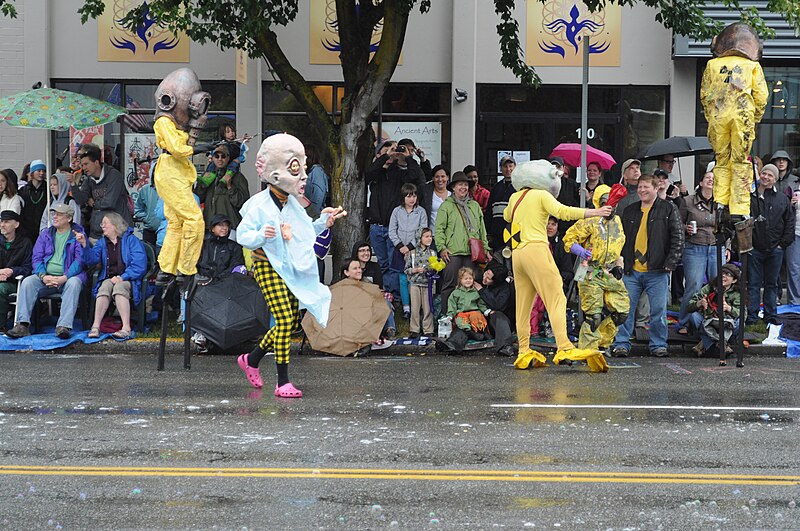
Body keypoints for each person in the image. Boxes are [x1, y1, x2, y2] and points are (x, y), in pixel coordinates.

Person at [236, 133, 346, 398]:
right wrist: (263, 234)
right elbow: (242, 235)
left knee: (287, 321)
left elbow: (305, 231)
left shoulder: (293, 205)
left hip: (288, 268)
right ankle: (282, 381)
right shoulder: (258, 205)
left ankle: (251, 359)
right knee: (285, 319)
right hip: (265, 265)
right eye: (296, 167)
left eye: (302, 167)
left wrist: (323, 221)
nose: (304, 176)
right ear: (274, 174)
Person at [504, 160, 612, 372]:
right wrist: (594, 212)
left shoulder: (515, 197)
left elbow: (507, 216)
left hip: (518, 254)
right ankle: (564, 346)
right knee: (556, 298)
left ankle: (523, 349)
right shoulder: (541, 195)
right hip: (536, 248)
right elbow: (563, 212)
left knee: (523, 305)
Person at [700, 23, 768, 222]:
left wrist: (711, 116)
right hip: (743, 115)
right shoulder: (753, 66)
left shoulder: (712, 65)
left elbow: (704, 95)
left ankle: (720, 201)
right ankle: (740, 207)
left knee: (721, 160)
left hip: (718, 116)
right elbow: (762, 96)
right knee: (740, 160)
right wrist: (754, 118)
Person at [611, 174, 684, 358]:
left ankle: (658, 344)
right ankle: (621, 343)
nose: (642, 190)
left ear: (656, 187)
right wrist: (619, 260)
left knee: (658, 311)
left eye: (646, 187)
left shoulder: (668, 208)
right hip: (631, 269)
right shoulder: (629, 210)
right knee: (625, 309)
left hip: (657, 269)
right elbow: (620, 238)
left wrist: (671, 262)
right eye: (640, 187)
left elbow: (678, 236)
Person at [151, 67, 211, 285]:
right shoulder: (164, 122)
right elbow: (177, 148)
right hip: (170, 173)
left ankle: (166, 270)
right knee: (194, 219)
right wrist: (198, 148)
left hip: (177, 172)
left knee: (176, 223)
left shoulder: (173, 123)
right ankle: (187, 269)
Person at [6, 202, 87, 340]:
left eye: (59, 215)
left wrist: (64, 277)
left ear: (69, 218)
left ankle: (63, 326)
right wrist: (43, 276)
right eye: (54, 214)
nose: (55, 217)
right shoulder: (46, 234)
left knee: (74, 283)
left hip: (67, 278)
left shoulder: (78, 235)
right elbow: (36, 258)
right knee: (28, 282)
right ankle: (22, 324)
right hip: (46, 278)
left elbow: (80, 262)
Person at [564, 184, 629, 353]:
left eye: (612, 201)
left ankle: (602, 341)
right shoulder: (590, 221)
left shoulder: (617, 222)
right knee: (593, 316)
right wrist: (579, 250)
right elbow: (569, 238)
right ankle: (588, 350)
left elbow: (618, 246)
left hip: (609, 273)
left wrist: (619, 264)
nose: (609, 205)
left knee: (621, 313)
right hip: (590, 272)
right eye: (604, 202)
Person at [365, 139, 426, 299]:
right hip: (376, 226)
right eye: (389, 150)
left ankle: (397, 296)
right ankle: (390, 295)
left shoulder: (398, 173)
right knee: (383, 264)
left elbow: (416, 178)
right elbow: (369, 173)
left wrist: (408, 157)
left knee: (394, 265)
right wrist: (386, 156)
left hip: (393, 229)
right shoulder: (378, 174)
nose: (394, 152)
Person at [76, 212, 147, 340]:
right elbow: (91, 259)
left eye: (105, 223)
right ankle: (96, 326)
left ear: (115, 225)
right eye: (102, 223)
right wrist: (84, 245)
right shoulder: (102, 242)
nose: (102, 226)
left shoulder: (131, 240)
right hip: (109, 278)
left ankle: (126, 328)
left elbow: (139, 265)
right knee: (104, 287)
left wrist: (122, 277)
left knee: (120, 288)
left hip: (129, 279)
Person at [434, 171, 491, 315]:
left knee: (473, 283)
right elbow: (439, 229)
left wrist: (486, 248)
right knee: (449, 285)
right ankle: (447, 317)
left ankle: (472, 314)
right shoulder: (446, 206)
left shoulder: (474, 205)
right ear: (453, 187)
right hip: (452, 252)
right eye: (460, 184)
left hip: (472, 253)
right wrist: (442, 248)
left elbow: (482, 229)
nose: (463, 187)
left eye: (465, 185)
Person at [747, 164, 794, 325]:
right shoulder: (749, 196)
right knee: (753, 284)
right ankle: (752, 316)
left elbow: (789, 222)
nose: (766, 177)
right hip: (754, 248)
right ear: (760, 175)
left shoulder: (782, 199)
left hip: (775, 249)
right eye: (764, 173)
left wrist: (783, 244)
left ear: (775, 179)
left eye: (770, 175)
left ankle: (770, 315)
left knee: (772, 284)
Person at [677, 170, 719, 334]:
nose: (710, 180)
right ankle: (685, 323)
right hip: (694, 247)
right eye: (707, 178)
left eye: (714, 179)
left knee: (718, 286)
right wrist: (685, 228)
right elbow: (677, 223)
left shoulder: (721, 202)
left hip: (717, 247)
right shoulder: (688, 201)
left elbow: (727, 226)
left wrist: (728, 247)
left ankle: (715, 321)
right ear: (700, 183)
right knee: (693, 286)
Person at [73, 144, 133, 242]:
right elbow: (81, 199)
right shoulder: (89, 179)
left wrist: (94, 203)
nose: (83, 168)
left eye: (86, 164)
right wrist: (73, 184)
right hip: (96, 233)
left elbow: (110, 202)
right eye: (82, 165)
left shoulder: (114, 176)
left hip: (117, 232)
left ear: (96, 162)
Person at [388, 183, 428, 318]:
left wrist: (410, 247)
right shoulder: (397, 211)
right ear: (403, 197)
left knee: (414, 279)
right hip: (400, 249)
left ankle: (416, 307)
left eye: (414, 196)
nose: (412, 199)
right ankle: (406, 308)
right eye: (408, 196)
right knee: (403, 279)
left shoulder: (421, 211)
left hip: (415, 251)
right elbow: (392, 231)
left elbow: (422, 231)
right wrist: (400, 246)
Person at [687, 263, 741, 357]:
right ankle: (723, 345)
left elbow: (743, 314)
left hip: (727, 323)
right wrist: (699, 303)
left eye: (728, 274)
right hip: (707, 320)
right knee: (693, 317)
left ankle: (706, 345)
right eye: (722, 273)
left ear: (734, 280)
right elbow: (689, 307)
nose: (723, 276)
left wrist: (729, 308)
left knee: (740, 323)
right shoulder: (709, 287)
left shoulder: (737, 293)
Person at [195, 143, 250, 233]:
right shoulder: (208, 175)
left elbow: (242, 203)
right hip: (210, 227)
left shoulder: (238, 177)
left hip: (229, 227)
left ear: (228, 158)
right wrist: (203, 185)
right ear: (212, 158)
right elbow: (197, 199)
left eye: (223, 156)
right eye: (217, 156)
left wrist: (229, 186)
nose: (220, 159)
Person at [341, 258, 396, 342]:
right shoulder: (343, 288)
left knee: (385, 303)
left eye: (359, 268)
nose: (359, 271)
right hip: (353, 322)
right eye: (355, 269)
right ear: (346, 272)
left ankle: (389, 330)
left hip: (369, 318)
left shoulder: (365, 283)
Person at [352, 240, 396, 339]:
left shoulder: (375, 266)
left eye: (368, 250)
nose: (366, 253)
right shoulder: (351, 266)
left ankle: (390, 329)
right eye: (362, 251)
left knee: (386, 302)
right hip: (355, 298)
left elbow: (378, 286)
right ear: (356, 253)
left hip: (372, 296)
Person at [476, 258, 516, 357]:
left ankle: (505, 346)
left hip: (496, 322)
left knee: (498, 315)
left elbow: (498, 305)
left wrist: (482, 290)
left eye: (488, 278)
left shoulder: (504, 288)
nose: (484, 278)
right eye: (485, 274)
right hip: (477, 318)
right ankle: (453, 344)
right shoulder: (478, 279)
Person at [0, 210, 32, 331]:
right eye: (1, 221)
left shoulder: (25, 243)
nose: (2, 225)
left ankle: (1, 325)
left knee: (1, 289)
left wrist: (11, 271)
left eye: (7, 222)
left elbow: (28, 268)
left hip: (15, 283)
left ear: (16, 224)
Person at [404, 227, 437, 338]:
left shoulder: (433, 253)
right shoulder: (412, 253)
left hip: (428, 283)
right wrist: (414, 270)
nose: (429, 239)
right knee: (415, 307)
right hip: (415, 283)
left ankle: (428, 329)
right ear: (420, 238)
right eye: (426, 236)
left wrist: (434, 269)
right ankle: (414, 329)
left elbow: (436, 268)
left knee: (428, 307)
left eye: (430, 236)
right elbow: (406, 269)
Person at [446, 267, 490, 343]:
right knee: (461, 322)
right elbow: (452, 305)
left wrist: (485, 310)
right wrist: (450, 315)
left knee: (479, 318)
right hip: (462, 314)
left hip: (474, 312)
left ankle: (482, 331)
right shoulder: (456, 293)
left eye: (470, 278)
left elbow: (480, 303)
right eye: (465, 279)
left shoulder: (476, 292)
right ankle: (471, 333)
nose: (468, 280)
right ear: (460, 280)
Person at [196, 214, 245, 282]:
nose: (224, 228)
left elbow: (236, 266)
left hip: (225, 282)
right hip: (202, 280)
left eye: (226, 225)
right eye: (220, 225)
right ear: (212, 228)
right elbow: (197, 264)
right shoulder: (203, 245)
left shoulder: (234, 246)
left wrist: (217, 278)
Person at [486, 155, 516, 252]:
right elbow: (489, 213)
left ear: (515, 167)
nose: (508, 169)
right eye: (505, 166)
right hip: (496, 236)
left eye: (510, 166)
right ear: (501, 169)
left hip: (513, 235)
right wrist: (488, 233)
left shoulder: (519, 187)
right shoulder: (496, 188)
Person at [19, 160, 48, 240]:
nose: (42, 173)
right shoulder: (23, 190)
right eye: (39, 171)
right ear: (32, 173)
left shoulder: (48, 190)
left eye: (43, 171)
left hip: (43, 227)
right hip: (27, 230)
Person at [420, 165, 450, 235]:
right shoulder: (426, 195)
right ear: (433, 178)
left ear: (447, 177)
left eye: (443, 176)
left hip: (449, 237)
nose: (440, 179)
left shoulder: (453, 195)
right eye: (437, 177)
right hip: (432, 236)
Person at [304, 145, 330, 214]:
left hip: (314, 216)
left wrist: (311, 214)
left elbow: (318, 196)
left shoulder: (317, 171)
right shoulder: (311, 172)